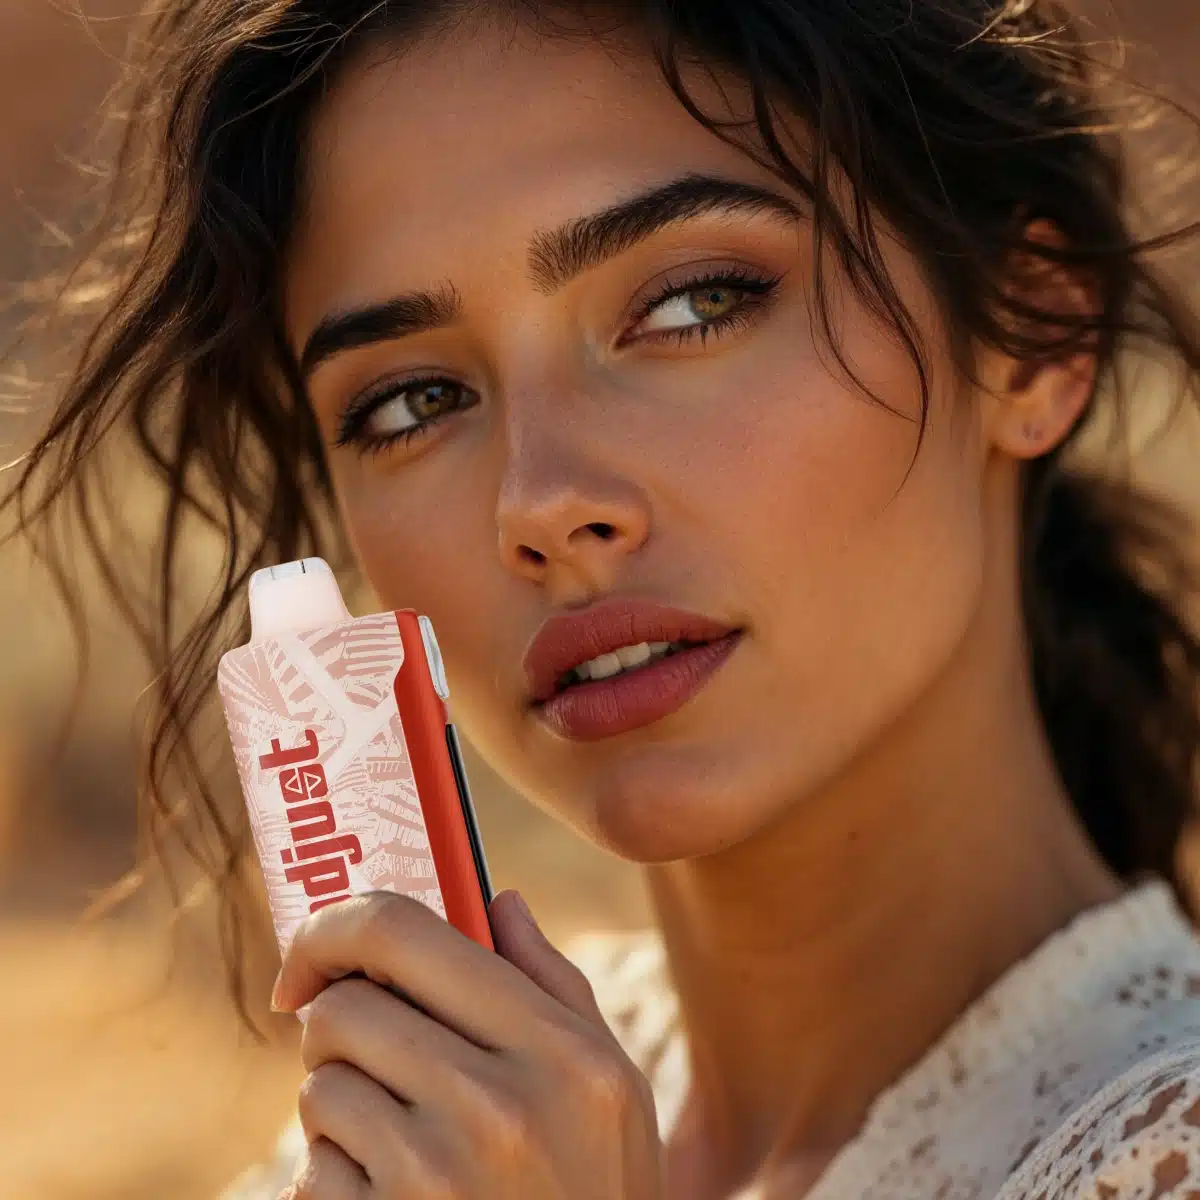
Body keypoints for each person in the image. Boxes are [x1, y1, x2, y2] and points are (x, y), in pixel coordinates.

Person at [5, 0, 1200, 1196]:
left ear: (1034, 330)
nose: (539, 501)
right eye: (412, 403)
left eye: (692, 304)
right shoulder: (445, 1134)